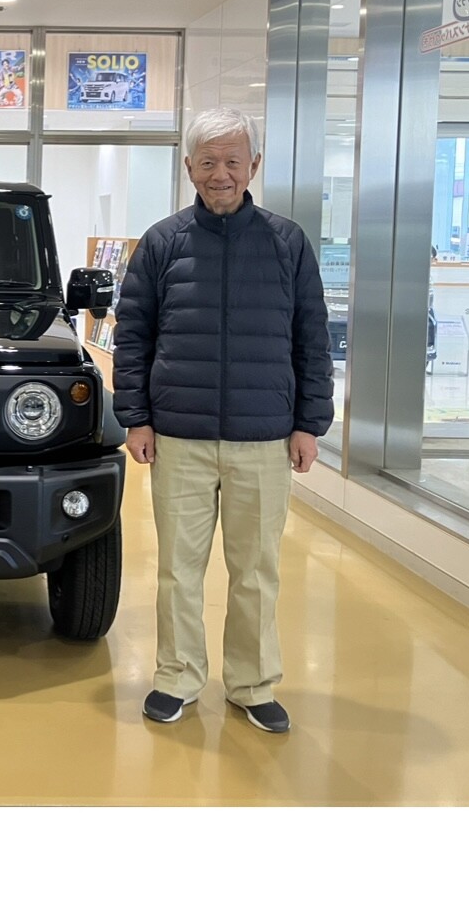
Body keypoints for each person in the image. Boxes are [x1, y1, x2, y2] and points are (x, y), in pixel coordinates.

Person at [112, 108, 333, 735]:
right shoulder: (162, 242)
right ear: (189, 168)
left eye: (233, 161)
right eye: (208, 161)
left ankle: (252, 684)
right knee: (178, 570)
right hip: (177, 436)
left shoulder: (287, 242)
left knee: (256, 571)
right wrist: (136, 418)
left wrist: (309, 423)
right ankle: (177, 676)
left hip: (264, 437)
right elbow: (133, 336)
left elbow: (311, 338)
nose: (221, 173)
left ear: (253, 166)